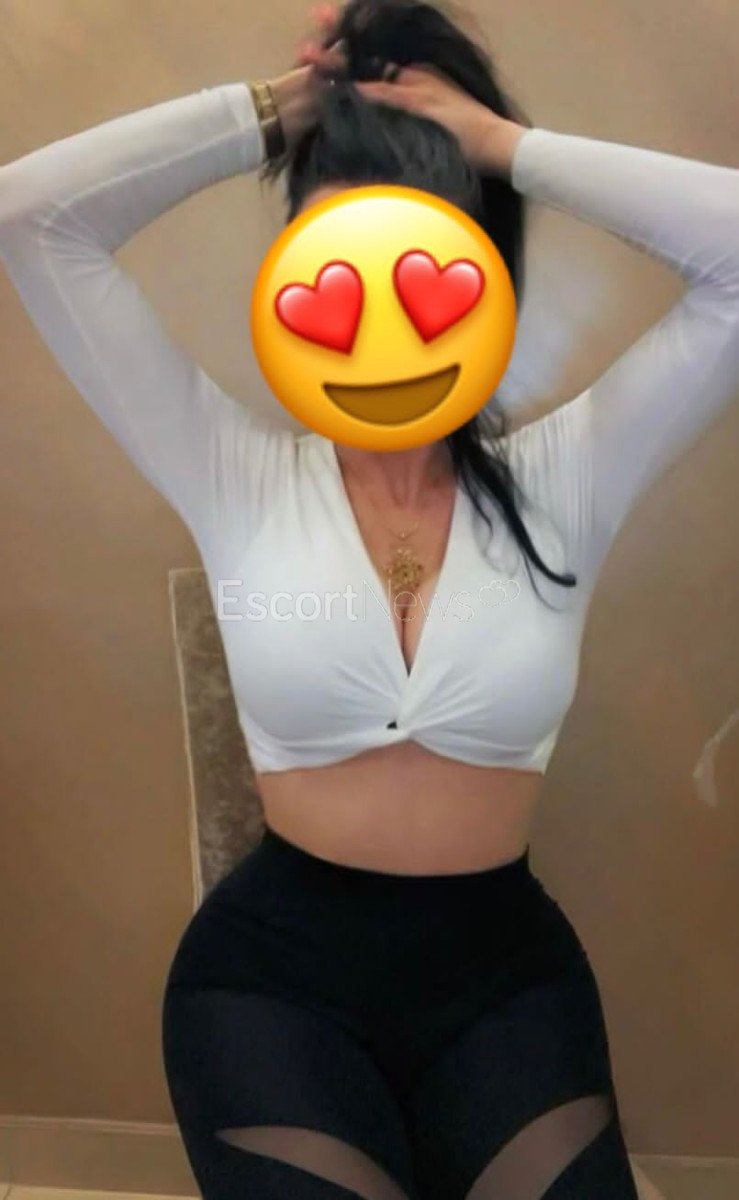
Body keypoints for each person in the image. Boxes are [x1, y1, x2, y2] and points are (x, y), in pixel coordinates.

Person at [1, 0, 737, 1196]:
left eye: (422, 277)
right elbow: (32, 217)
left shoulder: (568, 479)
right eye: (339, 278)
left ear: (482, 279)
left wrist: (500, 146)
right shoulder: (230, 471)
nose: (382, 324)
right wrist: (275, 113)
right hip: (272, 984)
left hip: (502, 983)